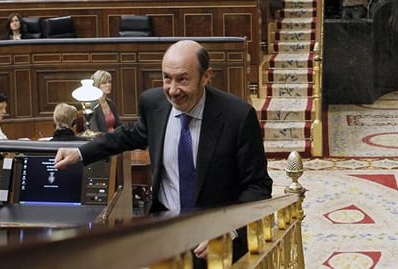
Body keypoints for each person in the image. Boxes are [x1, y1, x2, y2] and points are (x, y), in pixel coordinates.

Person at [53, 40, 273, 266]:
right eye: (167, 78)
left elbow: (258, 185)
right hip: (166, 235)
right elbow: (129, 135)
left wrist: (229, 229)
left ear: (206, 76)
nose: (173, 90)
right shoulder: (154, 103)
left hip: (215, 244)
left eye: (183, 79)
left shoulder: (237, 116)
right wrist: (81, 151)